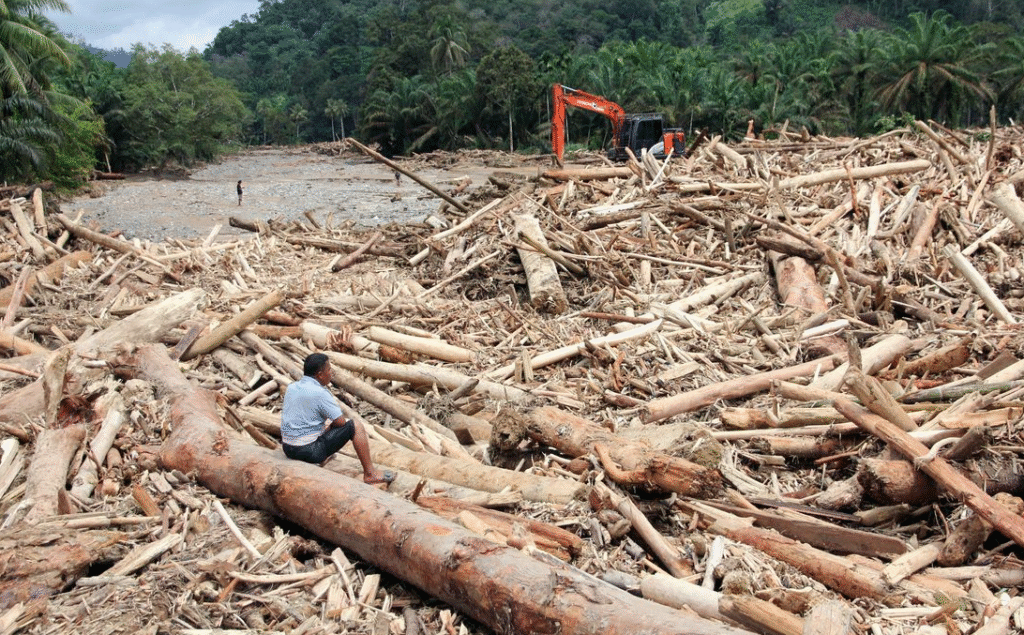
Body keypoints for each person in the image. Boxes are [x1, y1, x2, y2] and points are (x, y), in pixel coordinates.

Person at [281, 353, 395, 485]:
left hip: (288, 448)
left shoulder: (292, 387)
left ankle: (320, 452)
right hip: (308, 452)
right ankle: (370, 474)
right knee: (355, 425)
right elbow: (340, 422)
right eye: (329, 369)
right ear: (320, 375)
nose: (331, 373)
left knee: (325, 423)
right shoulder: (320, 393)